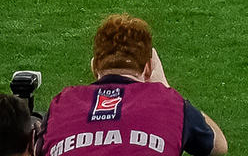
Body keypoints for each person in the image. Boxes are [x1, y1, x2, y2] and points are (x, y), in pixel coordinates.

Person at [38, 13, 226, 154]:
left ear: (95, 67)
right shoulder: (170, 103)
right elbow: (218, 147)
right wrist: (165, 86)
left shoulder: (62, 104)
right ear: (148, 68)